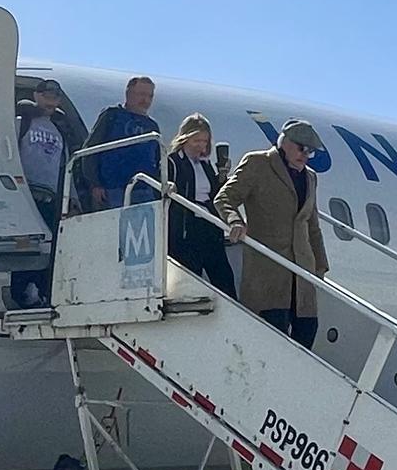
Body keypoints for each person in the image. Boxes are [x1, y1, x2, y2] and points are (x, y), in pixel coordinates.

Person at [215, 119, 330, 348]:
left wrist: (320, 266)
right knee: (271, 341)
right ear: (284, 142)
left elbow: (312, 225)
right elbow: (225, 198)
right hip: (269, 272)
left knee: (306, 334)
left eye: (311, 152)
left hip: (302, 276)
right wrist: (235, 221)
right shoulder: (258, 163)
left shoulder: (310, 177)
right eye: (301, 149)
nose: (305, 156)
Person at [12, 80, 84, 306]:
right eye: (47, 95)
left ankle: (42, 292)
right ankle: (21, 293)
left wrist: (72, 197)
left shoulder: (58, 130)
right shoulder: (21, 123)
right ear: (37, 95)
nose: (51, 101)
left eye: (56, 97)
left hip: (50, 195)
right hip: (26, 192)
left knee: (50, 246)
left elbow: (65, 165)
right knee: (26, 245)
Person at [166, 114, 236, 298]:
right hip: (187, 226)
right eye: (196, 140)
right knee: (191, 276)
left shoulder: (205, 166)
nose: (201, 146)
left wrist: (222, 176)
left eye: (204, 141)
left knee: (223, 277)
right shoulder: (173, 162)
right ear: (185, 138)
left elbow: (215, 195)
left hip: (209, 224)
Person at [85, 75, 160, 209]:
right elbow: (90, 150)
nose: (146, 100)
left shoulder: (152, 126)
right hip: (113, 188)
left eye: (150, 96)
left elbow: (157, 159)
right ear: (128, 94)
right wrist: (95, 184)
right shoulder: (112, 116)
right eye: (142, 94)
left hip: (144, 190)